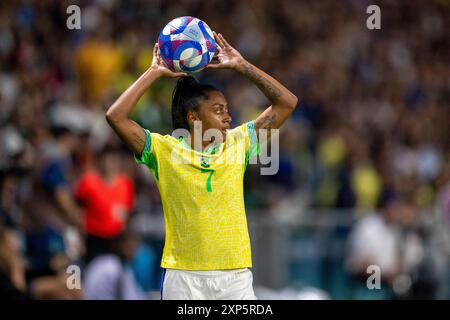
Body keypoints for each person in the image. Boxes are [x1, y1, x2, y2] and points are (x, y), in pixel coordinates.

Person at [106, 31, 297, 300]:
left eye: (227, 109)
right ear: (194, 117)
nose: (228, 117)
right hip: (183, 277)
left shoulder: (239, 142)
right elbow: (116, 116)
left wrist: (242, 65)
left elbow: (287, 103)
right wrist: (154, 72)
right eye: (218, 110)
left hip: (235, 276)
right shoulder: (164, 150)